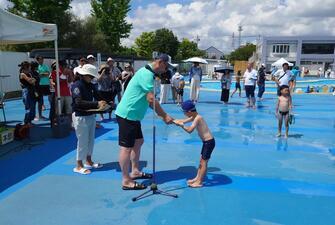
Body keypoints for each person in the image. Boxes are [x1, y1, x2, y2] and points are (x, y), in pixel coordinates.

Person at [115, 53, 174, 190]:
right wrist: (164, 116)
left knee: (138, 141)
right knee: (126, 148)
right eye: (166, 67)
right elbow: (151, 99)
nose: (166, 71)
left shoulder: (149, 74)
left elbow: (148, 100)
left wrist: (161, 114)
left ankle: (134, 171)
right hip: (127, 115)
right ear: (160, 62)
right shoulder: (146, 74)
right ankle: (126, 180)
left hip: (134, 116)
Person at [71, 64, 107, 175]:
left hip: (91, 115)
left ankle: (88, 160)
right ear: (84, 75)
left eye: (92, 77)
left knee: (91, 140)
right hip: (80, 116)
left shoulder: (91, 85)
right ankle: (78, 165)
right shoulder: (76, 85)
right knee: (82, 141)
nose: (91, 78)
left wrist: (106, 103)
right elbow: (78, 102)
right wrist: (97, 103)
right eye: (90, 76)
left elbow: (98, 96)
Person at [174, 100, 215, 188]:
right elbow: (184, 120)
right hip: (206, 142)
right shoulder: (194, 116)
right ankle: (197, 178)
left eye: (184, 112)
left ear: (189, 112)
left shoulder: (197, 118)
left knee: (204, 163)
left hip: (209, 143)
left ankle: (199, 182)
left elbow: (190, 130)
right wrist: (175, 121)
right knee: (201, 161)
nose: (184, 114)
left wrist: (181, 125)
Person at [19, 61, 39, 126]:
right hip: (26, 91)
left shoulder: (30, 74)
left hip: (32, 91)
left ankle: (29, 121)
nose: (30, 67)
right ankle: (26, 122)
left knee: (33, 107)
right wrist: (34, 79)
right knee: (28, 108)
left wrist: (33, 80)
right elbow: (30, 81)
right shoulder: (22, 74)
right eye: (29, 66)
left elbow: (34, 82)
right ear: (26, 67)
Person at [36, 55, 50, 120]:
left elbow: (48, 73)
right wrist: (44, 74)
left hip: (47, 84)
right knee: (40, 101)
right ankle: (40, 115)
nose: (42, 60)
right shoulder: (36, 67)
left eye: (42, 59)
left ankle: (52, 114)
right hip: (40, 85)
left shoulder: (46, 66)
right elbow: (38, 75)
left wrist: (42, 74)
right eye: (40, 59)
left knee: (51, 99)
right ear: (37, 60)